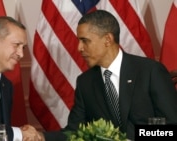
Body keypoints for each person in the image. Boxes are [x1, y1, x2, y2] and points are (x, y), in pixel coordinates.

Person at [42, 10, 177, 141]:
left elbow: (171, 128)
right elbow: (75, 132)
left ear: (107, 39)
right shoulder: (85, 82)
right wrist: (42, 137)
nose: (79, 48)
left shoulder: (150, 71)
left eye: (85, 40)